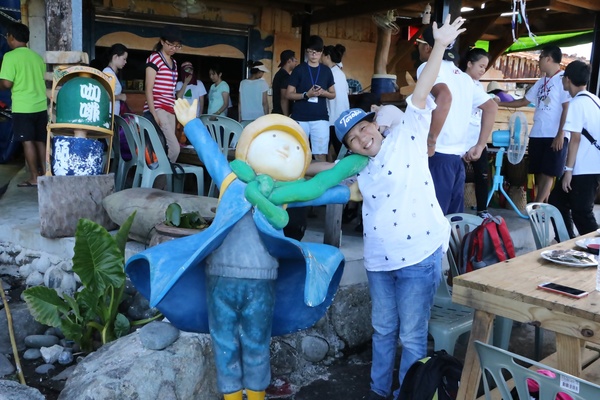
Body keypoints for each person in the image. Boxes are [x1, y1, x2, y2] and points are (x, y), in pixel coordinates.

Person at [126, 101, 365, 400]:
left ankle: (255, 395)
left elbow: (317, 193)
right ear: (247, 148)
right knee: (224, 341)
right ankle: (231, 396)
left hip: (262, 281)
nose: (284, 149)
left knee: (256, 342)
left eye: (295, 147)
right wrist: (190, 123)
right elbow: (211, 155)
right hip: (219, 277)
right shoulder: (231, 182)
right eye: (274, 138)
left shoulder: (284, 194)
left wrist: (347, 192)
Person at [314, 15, 463, 400]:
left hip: (418, 256)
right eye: (353, 138)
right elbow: (324, 173)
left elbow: (424, 88)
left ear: (374, 124)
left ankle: (409, 394)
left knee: (411, 336)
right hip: (379, 260)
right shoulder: (359, 167)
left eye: (363, 128)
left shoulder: (408, 134)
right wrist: (281, 170)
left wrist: (440, 44)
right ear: (350, 148)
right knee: (382, 331)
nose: (362, 137)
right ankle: (380, 391)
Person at [416, 24, 497, 215]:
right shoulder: (464, 78)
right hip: (457, 160)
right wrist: (480, 145)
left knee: (433, 216)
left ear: (427, 47)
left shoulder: (427, 68)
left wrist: (431, 141)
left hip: (437, 155)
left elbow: (444, 96)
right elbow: (491, 107)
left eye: (418, 43)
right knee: (452, 219)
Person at [498, 45, 570, 203]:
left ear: (549, 59)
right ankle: (542, 206)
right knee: (538, 172)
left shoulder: (563, 80)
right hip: (537, 132)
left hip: (554, 134)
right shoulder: (541, 82)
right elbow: (523, 101)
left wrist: (561, 133)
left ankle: (536, 206)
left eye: (540, 57)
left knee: (549, 172)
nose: (538, 61)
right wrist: (499, 104)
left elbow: (567, 108)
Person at [549, 61, 600, 238]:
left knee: (581, 212)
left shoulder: (577, 103)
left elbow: (575, 138)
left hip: (583, 167)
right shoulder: (595, 100)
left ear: (568, 79)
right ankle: (566, 241)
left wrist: (568, 170)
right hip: (591, 165)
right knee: (557, 202)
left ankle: (595, 247)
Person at [0, 22, 47, 187]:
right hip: (41, 106)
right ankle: (46, 174)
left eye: (7, 36)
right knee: (41, 141)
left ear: (11, 37)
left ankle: (34, 177)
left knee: (27, 141)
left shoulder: (10, 57)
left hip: (23, 107)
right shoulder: (37, 57)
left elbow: (7, 83)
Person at [286, 35, 336, 162]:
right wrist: (306, 95)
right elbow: (288, 94)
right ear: (306, 51)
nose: (314, 55)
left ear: (322, 52)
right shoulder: (299, 69)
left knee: (320, 155)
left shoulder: (326, 71)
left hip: (320, 118)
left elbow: (333, 94)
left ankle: (320, 175)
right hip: (300, 117)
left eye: (317, 52)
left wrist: (323, 93)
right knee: (297, 153)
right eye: (311, 51)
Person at [460, 47, 493, 219]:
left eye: (485, 67)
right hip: (462, 139)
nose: (482, 70)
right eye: (480, 66)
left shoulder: (479, 85)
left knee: (483, 175)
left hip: (478, 139)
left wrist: (481, 143)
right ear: (469, 64)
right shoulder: (461, 82)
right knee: (459, 177)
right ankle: (456, 212)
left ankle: (482, 210)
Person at [144, 25, 182, 163]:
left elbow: (171, 90)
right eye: (170, 44)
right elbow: (148, 88)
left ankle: (161, 176)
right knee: (174, 149)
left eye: (177, 46)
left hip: (170, 110)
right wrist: (154, 113)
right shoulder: (155, 58)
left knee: (165, 148)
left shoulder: (174, 63)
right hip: (158, 108)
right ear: (162, 42)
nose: (173, 48)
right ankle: (161, 175)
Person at [322, 44, 350, 160]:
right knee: (339, 149)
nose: (320, 58)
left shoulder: (329, 73)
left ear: (327, 56)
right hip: (342, 115)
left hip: (332, 117)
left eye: (322, 55)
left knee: (330, 148)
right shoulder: (340, 73)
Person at [102, 43, 128, 116]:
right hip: (109, 115)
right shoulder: (108, 73)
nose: (125, 62)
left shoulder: (110, 73)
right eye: (124, 59)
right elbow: (106, 95)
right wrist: (121, 97)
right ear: (115, 57)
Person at [271, 50, 298, 116]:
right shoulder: (285, 76)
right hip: (281, 114)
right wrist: (286, 116)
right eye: (295, 60)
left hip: (277, 113)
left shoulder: (279, 74)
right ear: (289, 61)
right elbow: (284, 99)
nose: (296, 62)